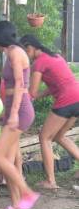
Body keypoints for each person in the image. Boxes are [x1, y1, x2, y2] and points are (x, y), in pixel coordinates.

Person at [0, 21, 39, 209]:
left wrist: (13, 114)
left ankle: (27, 194)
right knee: (7, 160)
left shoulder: (15, 53)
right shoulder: (11, 51)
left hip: (21, 111)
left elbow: (19, 85)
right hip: (13, 109)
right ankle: (18, 205)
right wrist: (6, 112)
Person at [20, 34, 79, 189]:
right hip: (77, 98)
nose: (24, 56)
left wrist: (24, 94)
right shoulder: (55, 56)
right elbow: (54, 85)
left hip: (66, 101)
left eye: (24, 52)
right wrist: (37, 95)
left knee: (44, 137)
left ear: (30, 48)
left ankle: (51, 181)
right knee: (59, 136)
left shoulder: (39, 63)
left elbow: (31, 91)